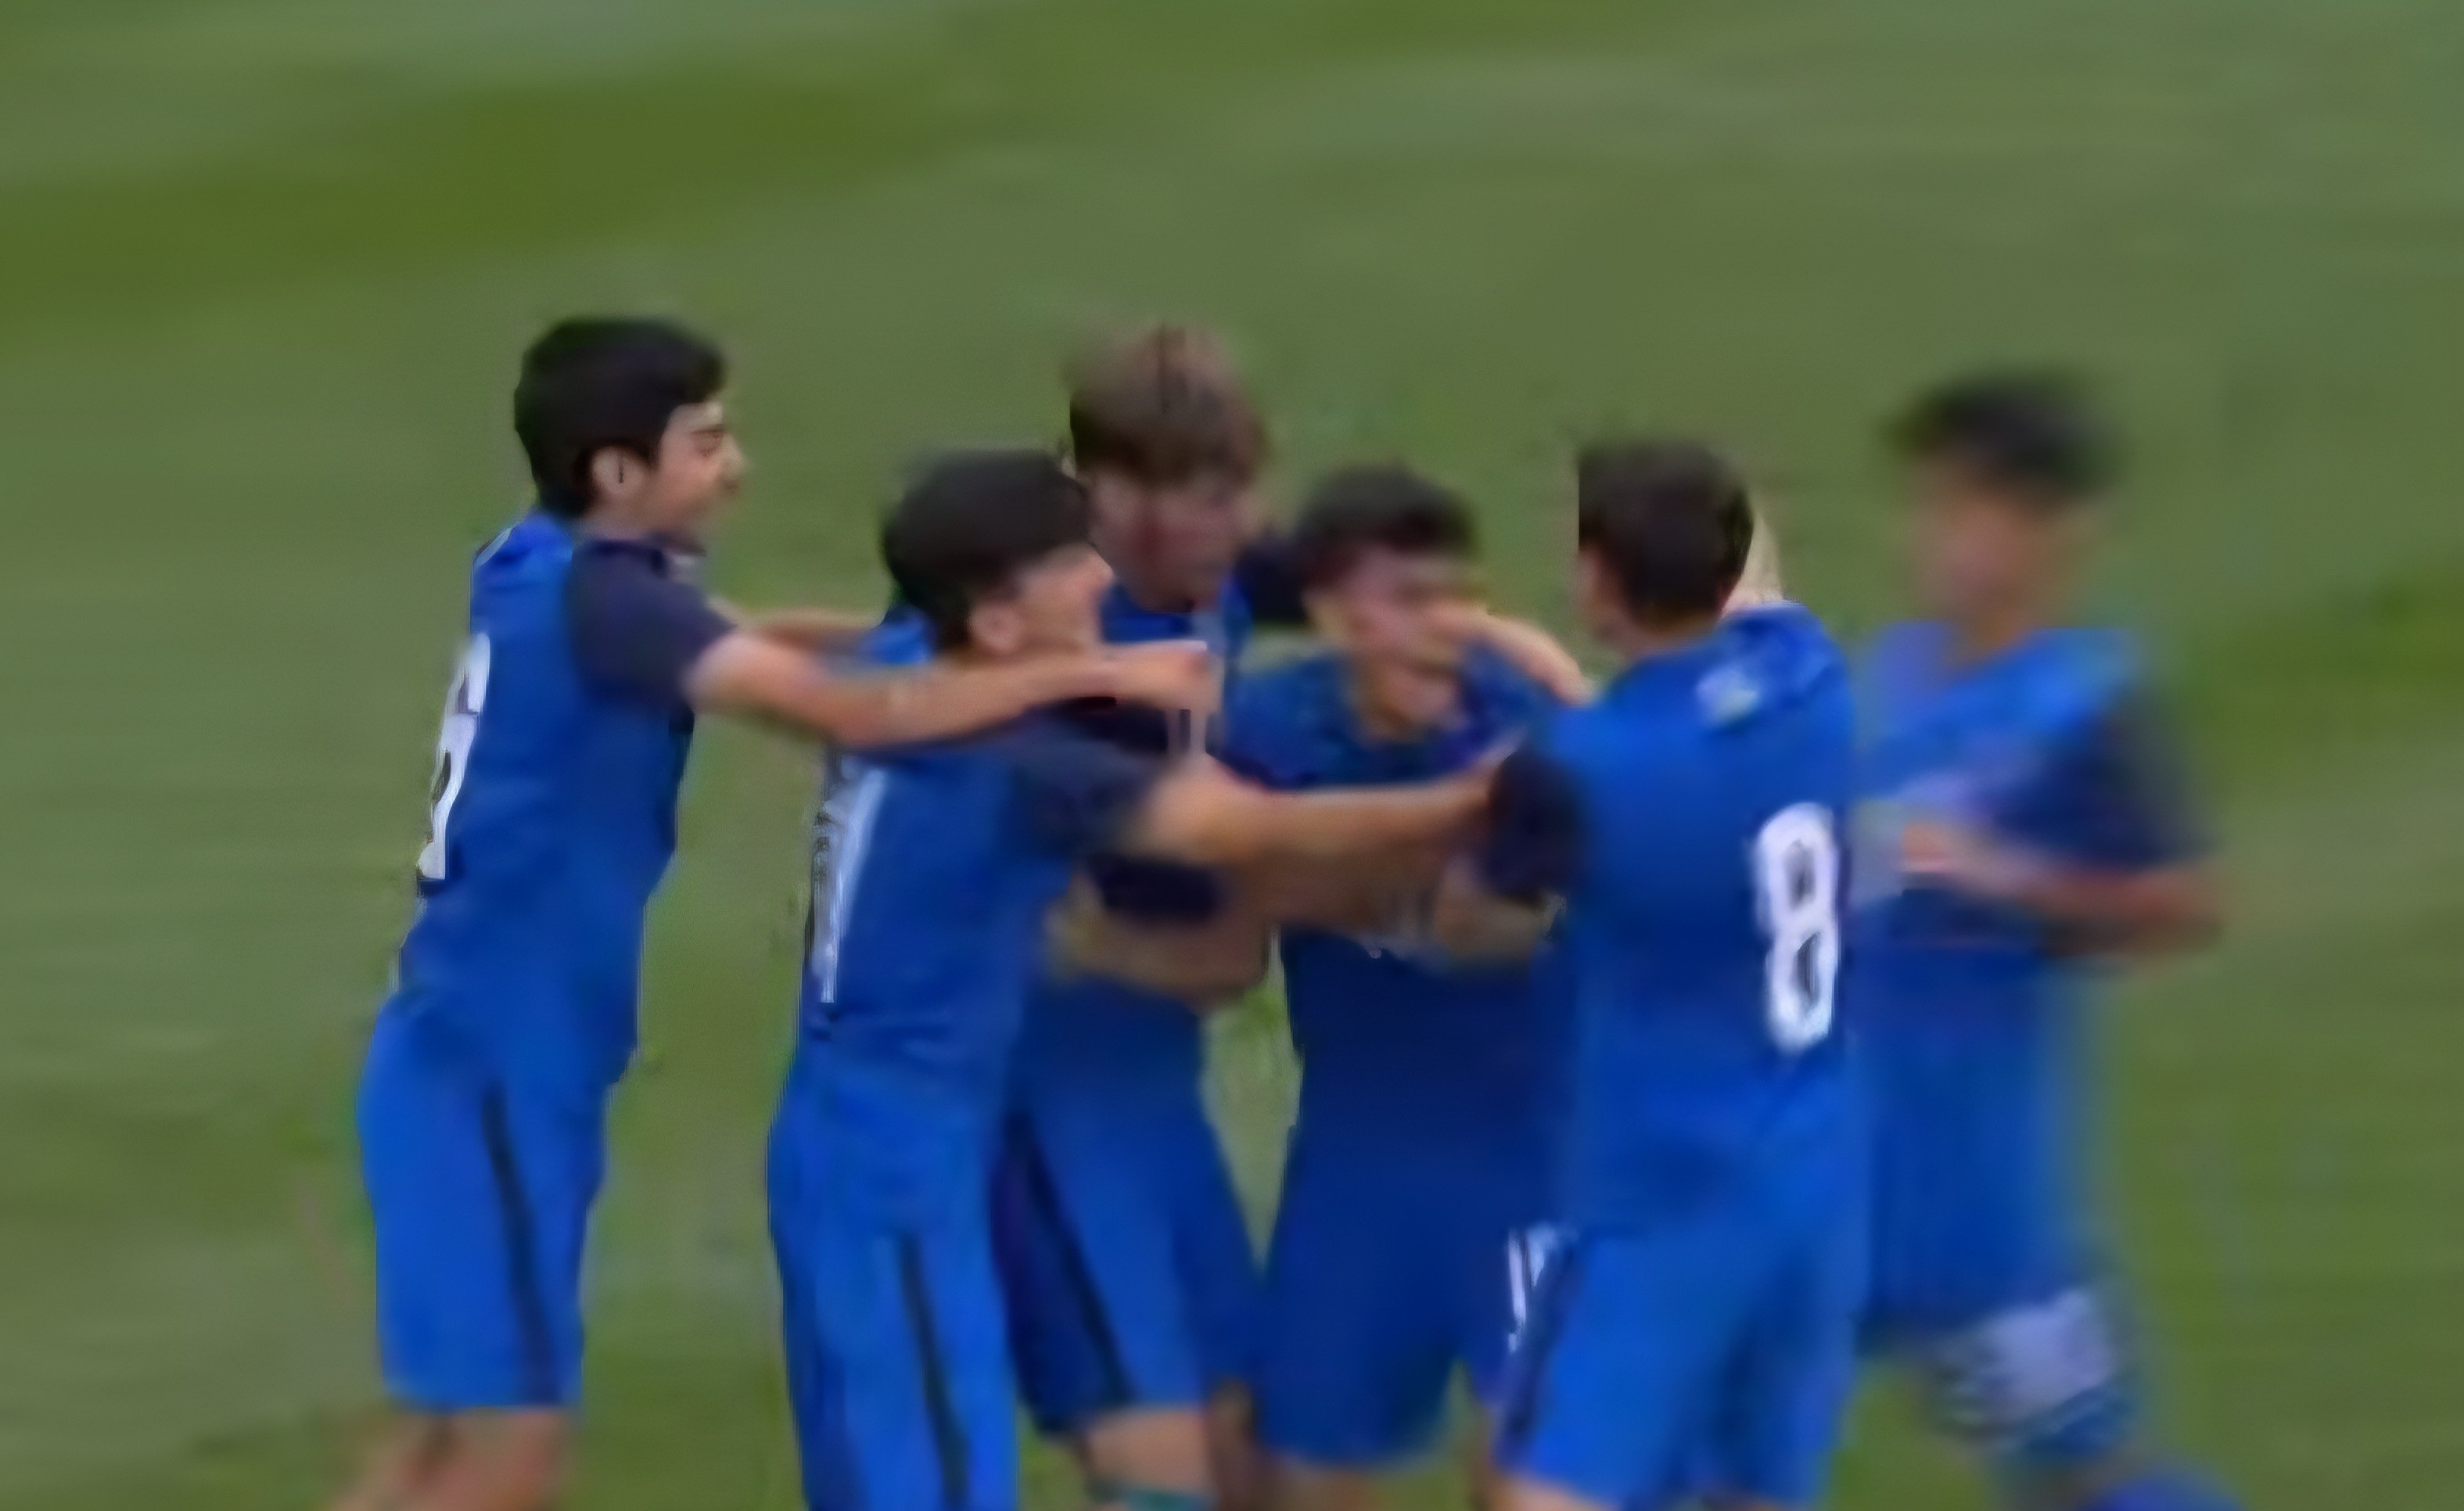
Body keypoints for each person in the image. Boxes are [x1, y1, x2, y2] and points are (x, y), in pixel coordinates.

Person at [332, 321, 1216, 1511]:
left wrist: (919, 643)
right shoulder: (616, 604)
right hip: (493, 1063)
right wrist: (1092, 672)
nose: (736, 467)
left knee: (434, 1452)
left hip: (474, 1051)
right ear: (618, 473)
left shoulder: (554, 568)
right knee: (506, 1458)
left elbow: (752, 640)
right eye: (706, 444)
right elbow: (843, 717)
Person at [767, 449, 1496, 1511]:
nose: (1101, 581)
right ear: (998, 621)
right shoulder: (1025, 760)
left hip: (895, 1126)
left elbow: (810, 661)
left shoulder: (910, 677)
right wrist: (1473, 803)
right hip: (892, 1153)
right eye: (1068, 567)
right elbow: (1244, 831)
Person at [1457, 440, 1866, 1511]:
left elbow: (1480, 931)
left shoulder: (1574, 771)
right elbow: (1756, 585)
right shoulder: (1808, 674)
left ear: (1596, 580)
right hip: (1812, 1176)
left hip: (1657, 1195)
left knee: (1542, 1489)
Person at [1853, 374, 2234, 1511]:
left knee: (2079, 1476)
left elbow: (2184, 904)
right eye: (1929, 505)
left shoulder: (2084, 708)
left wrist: (2007, 876)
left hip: (1972, 1192)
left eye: (1969, 508)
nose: (1936, 537)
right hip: (1827, 1155)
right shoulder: (1889, 675)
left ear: (2053, 531)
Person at [1216, 466, 1574, 1511]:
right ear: (1332, 613)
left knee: (1544, 1479)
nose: (1443, 629)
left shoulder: (1524, 729)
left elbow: (1501, 932)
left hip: (1533, 1156)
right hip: (1356, 1156)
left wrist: (1316, 875)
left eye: (1456, 598)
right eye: (1409, 600)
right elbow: (1225, 885)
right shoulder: (1265, 729)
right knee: (1301, 1478)